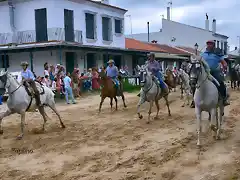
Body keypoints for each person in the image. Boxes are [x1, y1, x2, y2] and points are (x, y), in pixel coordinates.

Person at [200, 40, 230, 106]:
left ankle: (224, 98)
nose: (209, 45)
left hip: (214, 72)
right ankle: (194, 100)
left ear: (213, 46)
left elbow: (223, 62)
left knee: (220, 83)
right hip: (204, 73)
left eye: (211, 44)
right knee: (196, 83)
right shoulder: (202, 54)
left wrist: (225, 66)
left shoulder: (217, 54)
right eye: (208, 44)